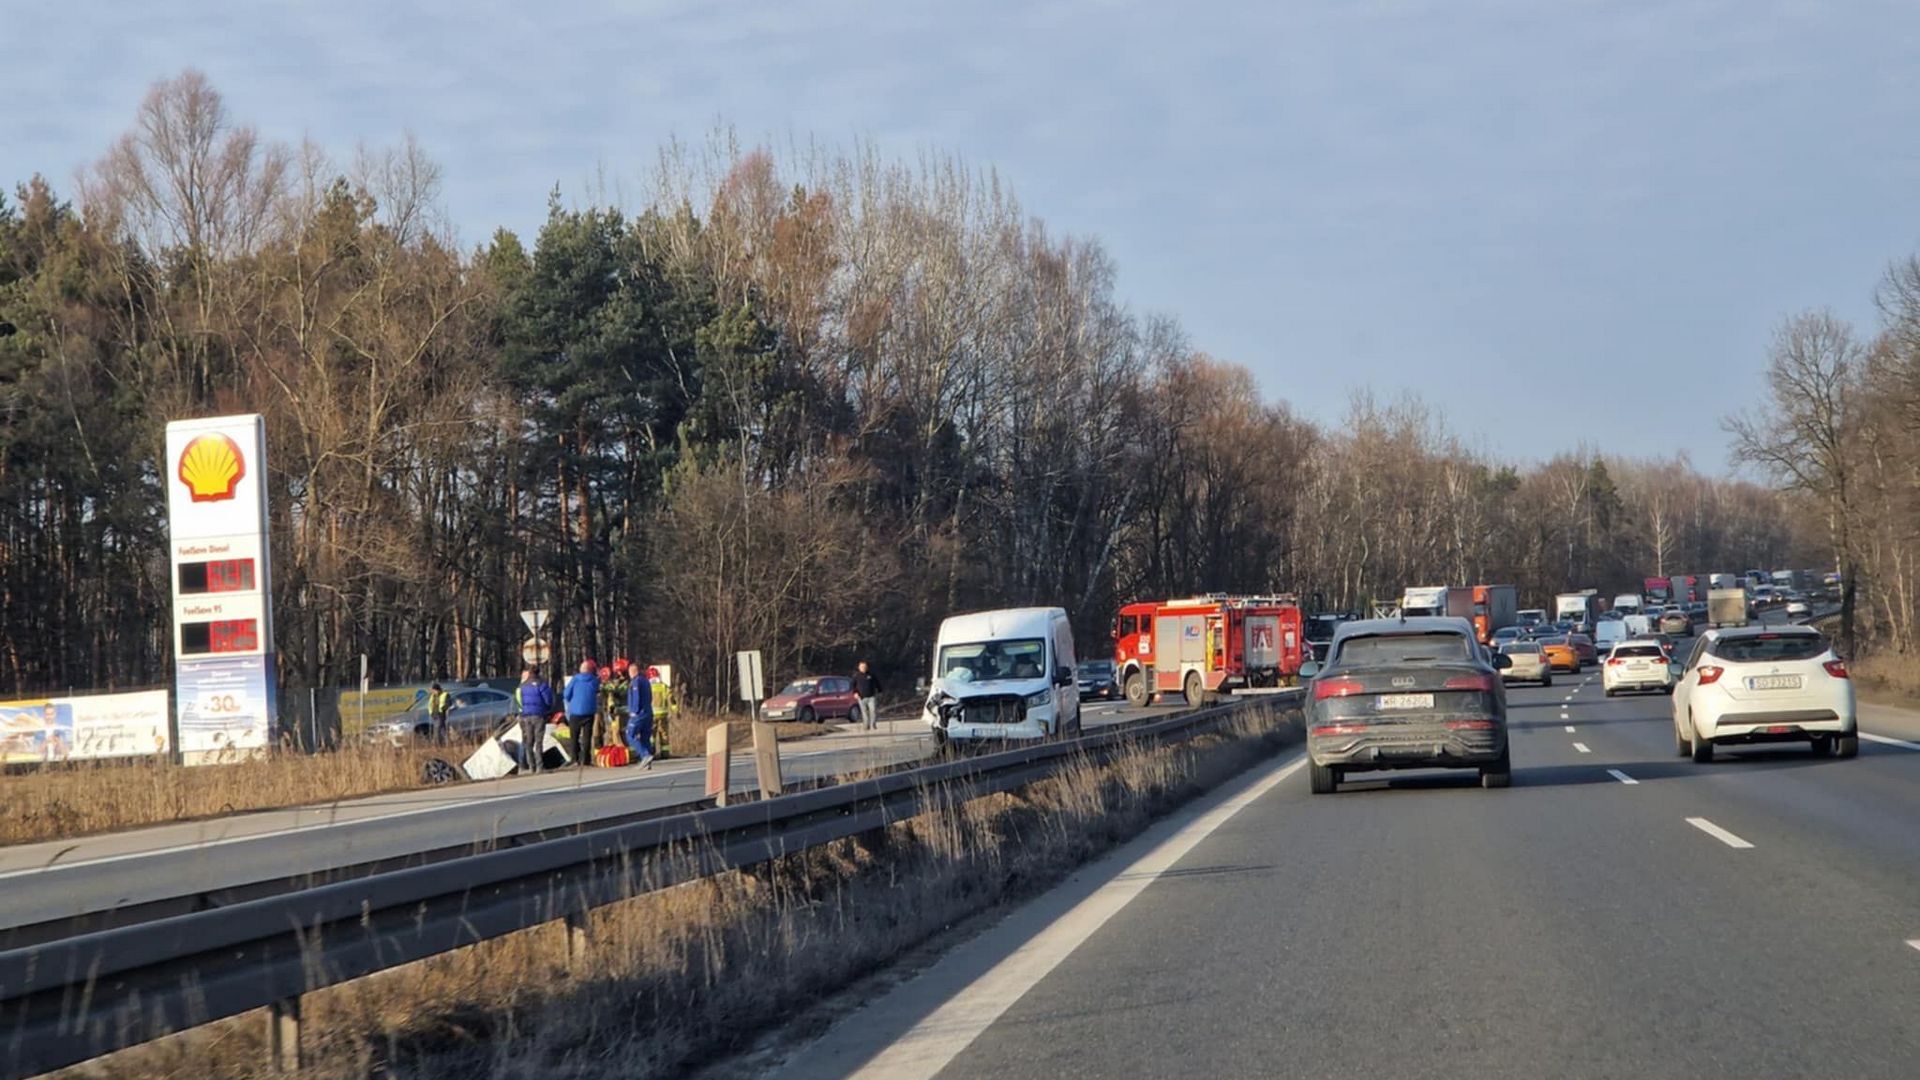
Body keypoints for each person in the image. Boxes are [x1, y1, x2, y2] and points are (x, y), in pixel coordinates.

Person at [513, 667, 555, 773]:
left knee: (529, 742)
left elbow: (519, 701)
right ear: (538, 673)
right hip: (539, 715)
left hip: (526, 716)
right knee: (539, 742)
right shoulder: (542, 685)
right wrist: (547, 709)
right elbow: (548, 699)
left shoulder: (522, 686)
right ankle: (539, 766)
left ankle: (531, 766)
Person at [562, 659, 600, 767]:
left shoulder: (575, 680)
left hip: (576, 711)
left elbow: (566, 694)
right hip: (589, 711)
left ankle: (575, 758)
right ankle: (586, 759)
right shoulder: (594, 680)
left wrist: (571, 700)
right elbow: (597, 691)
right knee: (587, 736)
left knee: (574, 736)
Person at [627, 661, 655, 768]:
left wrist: (634, 711)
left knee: (630, 735)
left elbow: (636, 697)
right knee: (645, 737)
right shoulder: (646, 681)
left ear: (633, 671)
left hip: (639, 714)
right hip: (648, 712)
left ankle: (645, 755)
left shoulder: (636, 681)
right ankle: (648, 763)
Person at [601, 659, 632, 757]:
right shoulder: (619, 683)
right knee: (615, 732)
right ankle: (623, 752)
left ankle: (624, 753)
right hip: (617, 712)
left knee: (619, 732)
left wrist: (609, 686)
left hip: (623, 711)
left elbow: (619, 692)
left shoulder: (627, 683)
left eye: (619, 672)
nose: (618, 674)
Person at [852, 660, 881, 731]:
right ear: (859, 667)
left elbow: (877, 683)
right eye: (861, 667)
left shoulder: (871, 675)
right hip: (861, 697)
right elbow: (853, 686)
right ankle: (866, 725)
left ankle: (873, 724)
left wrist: (880, 691)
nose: (863, 668)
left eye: (864, 667)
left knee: (873, 710)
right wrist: (855, 693)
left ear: (867, 667)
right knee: (864, 712)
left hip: (871, 696)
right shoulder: (856, 676)